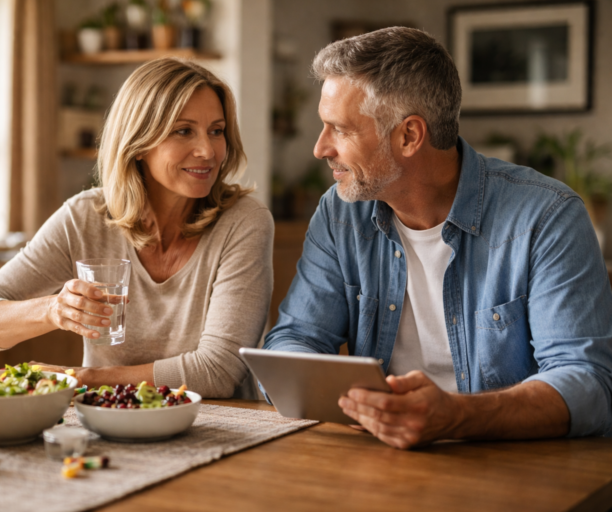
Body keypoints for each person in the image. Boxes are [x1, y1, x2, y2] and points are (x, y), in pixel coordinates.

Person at [262, 27, 612, 448]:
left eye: (340, 129)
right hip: (378, 455)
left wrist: (457, 416)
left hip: (513, 466)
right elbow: (294, 339)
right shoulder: (340, 213)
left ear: (409, 136)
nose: (320, 148)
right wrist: (362, 404)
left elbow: (589, 384)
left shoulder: (547, 216)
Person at [0, 58, 273, 398]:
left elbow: (218, 372)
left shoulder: (244, 221)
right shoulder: (85, 217)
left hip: (224, 428)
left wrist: (84, 377)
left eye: (216, 131)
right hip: (108, 424)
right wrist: (52, 310)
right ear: (139, 143)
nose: (207, 150)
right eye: (183, 131)